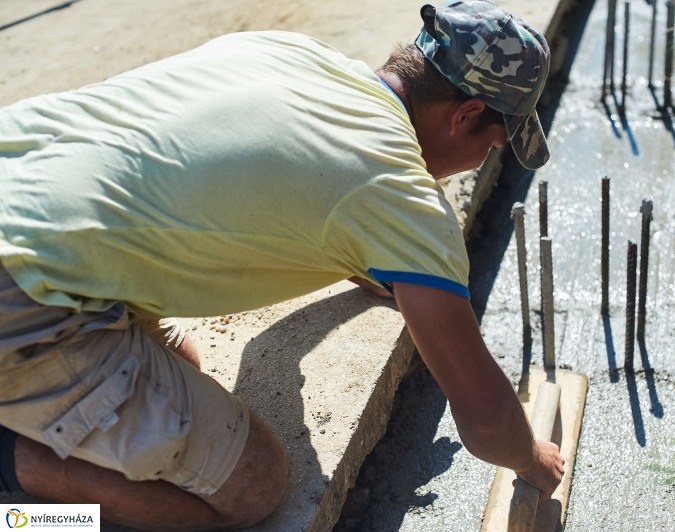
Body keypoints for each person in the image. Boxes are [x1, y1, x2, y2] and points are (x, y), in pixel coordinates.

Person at [0, 0, 564, 529]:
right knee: (251, 489)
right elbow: (487, 421)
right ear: (466, 115)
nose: (480, 161)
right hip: (23, 291)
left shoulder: (293, 53)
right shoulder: (401, 197)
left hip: (29, 206)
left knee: (186, 364)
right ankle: (14, 491)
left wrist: (378, 260)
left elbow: (277, 180)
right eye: (493, 146)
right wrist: (532, 457)